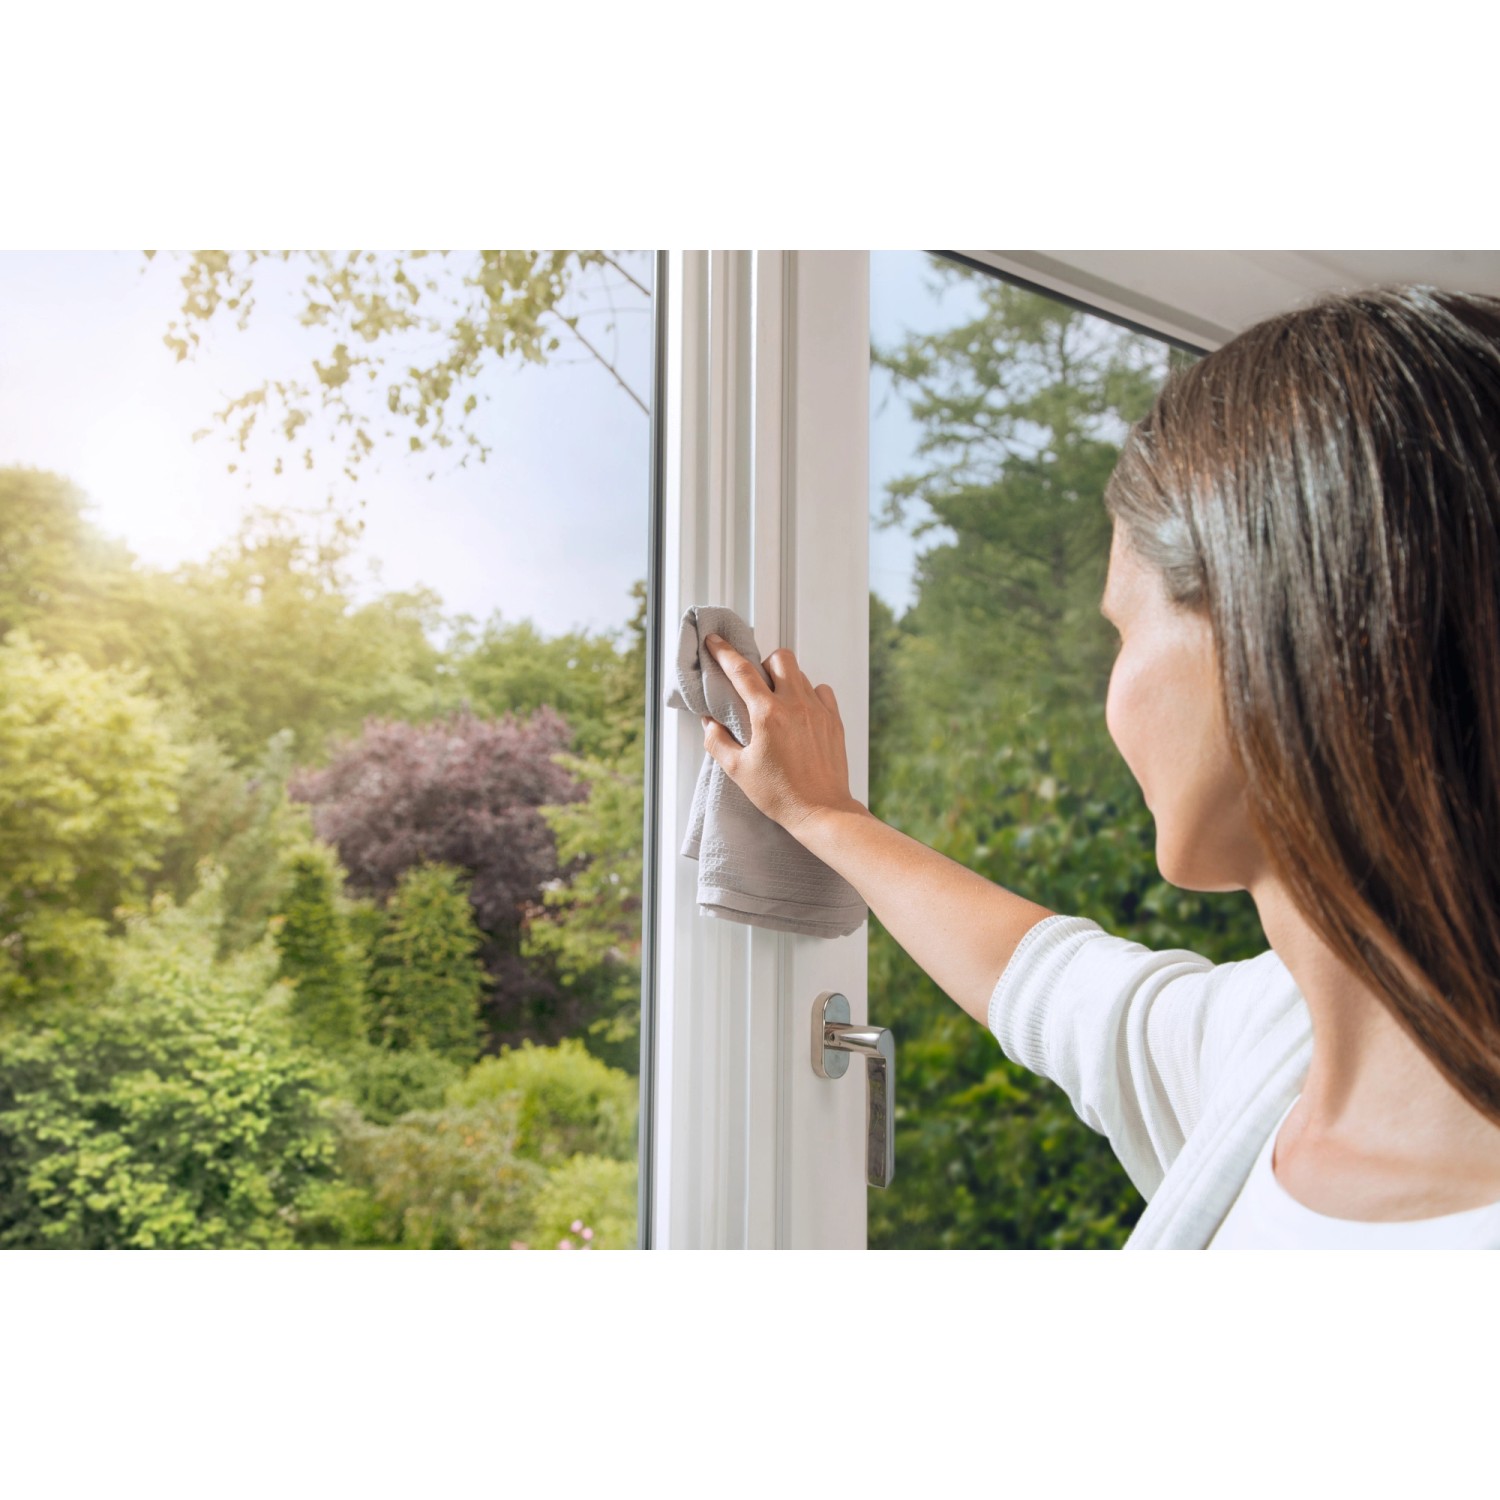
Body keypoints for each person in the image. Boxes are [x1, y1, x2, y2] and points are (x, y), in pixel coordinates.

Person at [697, 283, 1500, 1249]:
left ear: (1275, 636)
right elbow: (1055, 984)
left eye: (1123, 631)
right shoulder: (1281, 1048)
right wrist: (827, 818)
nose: (1109, 698)